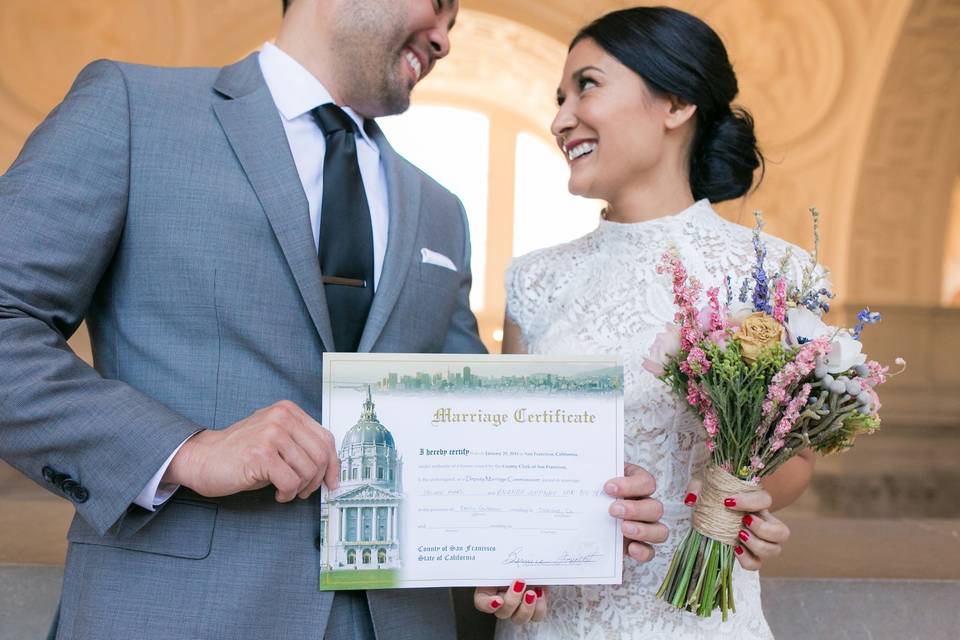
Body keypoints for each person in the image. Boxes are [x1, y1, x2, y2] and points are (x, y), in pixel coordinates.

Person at [0, 1, 665, 638]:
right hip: (179, 611)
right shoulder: (133, 110)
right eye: (437, 4)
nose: (445, 36)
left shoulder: (439, 209)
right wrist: (187, 451)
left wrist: (574, 508)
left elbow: (467, 417)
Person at [480, 7, 820, 638]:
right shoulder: (533, 281)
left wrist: (742, 498)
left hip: (697, 620)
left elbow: (794, 462)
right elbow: (515, 465)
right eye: (559, 98)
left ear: (675, 103)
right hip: (552, 624)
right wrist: (508, 568)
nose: (559, 119)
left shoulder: (772, 273)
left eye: (586, 85)